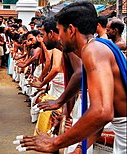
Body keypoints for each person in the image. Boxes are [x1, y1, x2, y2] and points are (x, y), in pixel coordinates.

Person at [19, 1, 126, 153]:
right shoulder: (98, 47)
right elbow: (105, 112)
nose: (59, 37)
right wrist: (79, 146)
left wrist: (55, 142)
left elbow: (103, 111)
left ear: (70, 30)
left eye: (59, 30)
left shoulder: (93, 50)